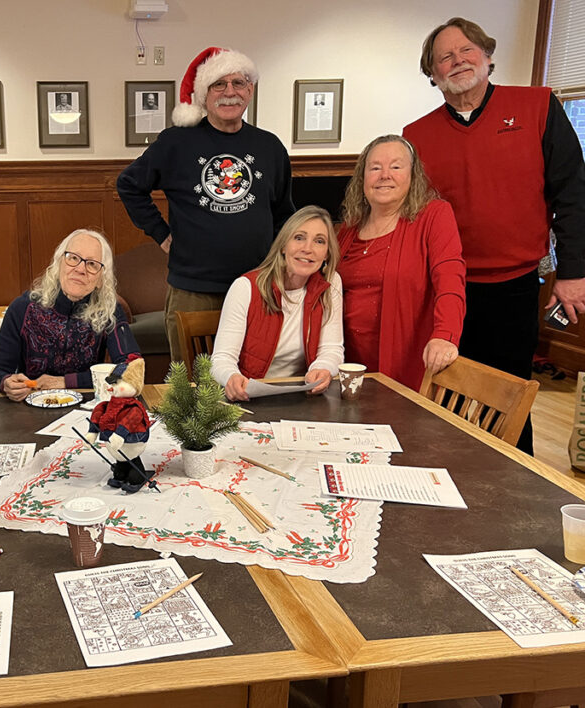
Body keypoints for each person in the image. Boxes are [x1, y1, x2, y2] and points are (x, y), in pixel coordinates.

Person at [403, 17, 585, 452]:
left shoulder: (539, 105)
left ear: (487, 56)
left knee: (508, 396)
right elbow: (412, 218)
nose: (458, 61)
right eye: (444, 56)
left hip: (514, 287)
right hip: (445, 288)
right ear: (433, 74)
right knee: (442, 394)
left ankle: (515, 487)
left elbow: (573, 193)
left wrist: (574, 272)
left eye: (467, 50)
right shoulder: (416, 136)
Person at [117, 46, 295, 361]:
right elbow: (129, 184)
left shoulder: (270, 147)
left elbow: (284, 214)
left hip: (257, 286)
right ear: (204, 94)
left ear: (250, 90)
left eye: (238, 83)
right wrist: (160, 233)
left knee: (253, 379)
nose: (230, 92)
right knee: (192, 388)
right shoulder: (176, 142)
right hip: (193, 290)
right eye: (218, 85)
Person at [335, 135, 466, 391]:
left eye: (396, 166)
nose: (385, 175)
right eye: (375, 168)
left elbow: (450, 279)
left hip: (405, 361)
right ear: (362, 178)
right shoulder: (349, 228)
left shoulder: (433, 216)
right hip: (348, 363)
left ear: (413, 175)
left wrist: (445, 335)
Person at [0, 228, 140, 401]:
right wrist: (6, 383)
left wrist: (66, 382)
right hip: (30, 410)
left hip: (86, 411)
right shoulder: (22, 308)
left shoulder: (109, 311)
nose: (81, 269)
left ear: (101, 279)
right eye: (73, 258)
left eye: (92, 264)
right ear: (59, 264)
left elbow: (132, 369)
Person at [211, 205, 344, 400]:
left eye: (319, 241)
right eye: (299, 238)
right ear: (283, 245)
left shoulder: (331, 283)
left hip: (302, 396)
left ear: (327, 254)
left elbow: (332, 349)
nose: (307, 249)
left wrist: (322, 369)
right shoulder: (245, 287)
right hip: (249, 397)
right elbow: (221, 359)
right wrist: (231, 377)